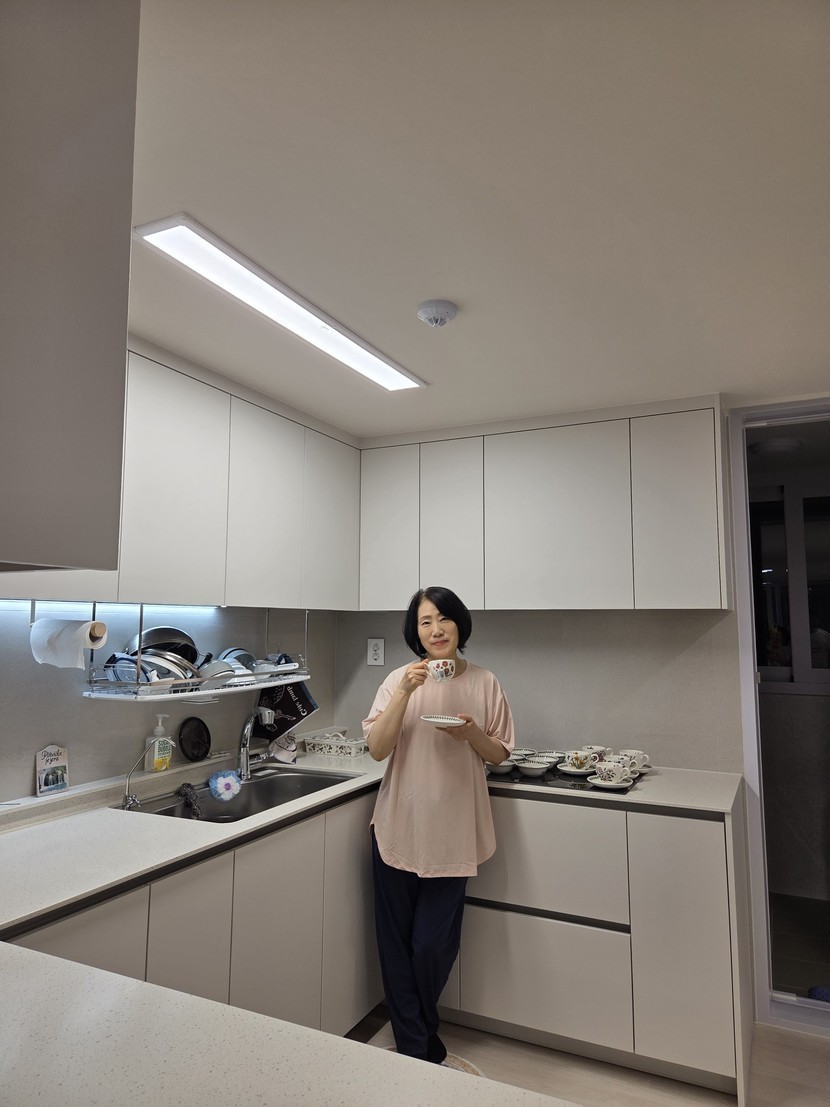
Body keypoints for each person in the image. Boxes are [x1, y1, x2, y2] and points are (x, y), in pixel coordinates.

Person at [362, 585, 515, 1063]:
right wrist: (406, 692)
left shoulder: (485, 682)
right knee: (395, 944)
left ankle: (420, 1029)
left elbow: (500, 753)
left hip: (455, 831)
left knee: (431, 945)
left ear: (459, 624)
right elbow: (377, 749)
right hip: (398, 826)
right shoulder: (397, 680)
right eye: (425, 622)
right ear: (416, 632)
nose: (436, 629)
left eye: (443, 618)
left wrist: (471, 733)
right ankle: (417, 1045)